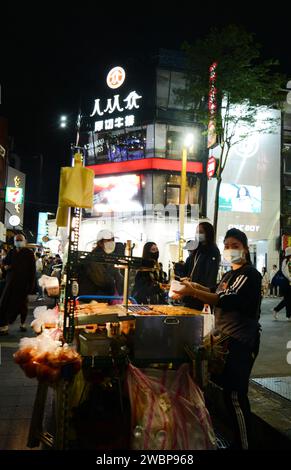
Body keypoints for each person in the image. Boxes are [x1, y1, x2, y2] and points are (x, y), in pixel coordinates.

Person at [173, 228, 262, 449]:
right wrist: (193, 285)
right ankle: (237, 442)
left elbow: (225, 299)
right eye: (227, 245)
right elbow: (215, 290)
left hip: (241, 341)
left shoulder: (249, 274)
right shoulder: (229, 274)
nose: (230, 250)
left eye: (235, 245)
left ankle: (245, 445)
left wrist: (191, 292)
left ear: (245, 247)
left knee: (235, 397)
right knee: (228, 396)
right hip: (226, 340)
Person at [0, 233, 36, 335]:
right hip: (10, 283)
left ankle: (22, 323)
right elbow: (5, 264)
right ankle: (4, 325)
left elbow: (32, 271)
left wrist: (31, 285)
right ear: (14, 241)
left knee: (23, 304)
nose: (18, 242)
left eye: (20, 240)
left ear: (24, 241)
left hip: (23, 284)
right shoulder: (11, 252)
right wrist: (6, 267)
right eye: (17, 240)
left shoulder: (29, 253)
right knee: (5, 303)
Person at [182, 222, 220, 311]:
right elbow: (190, 268)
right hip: (191, 292)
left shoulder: (212, 250)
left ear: (208, 233)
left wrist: (205, 292)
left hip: (202, 295)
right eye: (197, 231)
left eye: (201, 232)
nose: (198, 234)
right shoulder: (197, 250)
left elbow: (211, 275)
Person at [78, 229, 123, 299]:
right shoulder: (94, 258)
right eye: (108, 240)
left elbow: (118, 279)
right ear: (100, 243)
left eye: (112, 240)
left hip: (101, 298)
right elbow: (102, 281)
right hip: (91, 300)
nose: (111, 243)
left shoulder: (108, 257)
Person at [272, 247, 291, 320]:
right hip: (285, 284)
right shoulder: (285, 261)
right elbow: (285, 272)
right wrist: (290, 278)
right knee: (288, 300)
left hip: (287, 283)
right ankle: (287, 315)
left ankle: (277, 310)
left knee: (288, 300)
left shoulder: (287, 260)